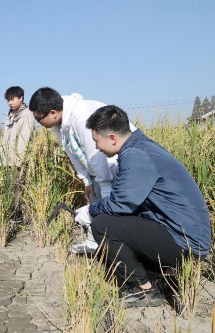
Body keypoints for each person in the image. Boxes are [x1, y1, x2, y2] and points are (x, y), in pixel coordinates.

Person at [86, 105, 211, 308]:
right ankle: (163, 275)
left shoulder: (135, 155)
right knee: (125, 221)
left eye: (96, 141)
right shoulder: (144, 146)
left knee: (102, 225)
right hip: (188, 237)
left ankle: (143, 289)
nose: (97, 148)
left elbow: (120, 204)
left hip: (186, 243)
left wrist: (91, 209)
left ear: (111, 138)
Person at [29, 87, 123, 254]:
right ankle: (94, 244)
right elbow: (73, 153)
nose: (39, 124)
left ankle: (117, 250)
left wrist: (106, 189)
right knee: (94, 200)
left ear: (52, 113)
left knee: (112, 209)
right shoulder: (60, 125)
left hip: (117, 163)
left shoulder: (81, 117)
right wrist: (87, 181)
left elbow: (97, 154)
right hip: (99, 170)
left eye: (39, 119)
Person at [0, 86, 35, 222]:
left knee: (18, 187)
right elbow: (5, 138)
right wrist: (2, 159)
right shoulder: (10, 114)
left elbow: (24, 140)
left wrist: (18, 161)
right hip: (7, 159)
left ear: (21, 98)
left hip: (18, 160)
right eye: (8, 100)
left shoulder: (27, 114)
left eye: (12, 99)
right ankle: (11, 213)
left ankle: (18, 215)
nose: (10, 102)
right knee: (8, 187)